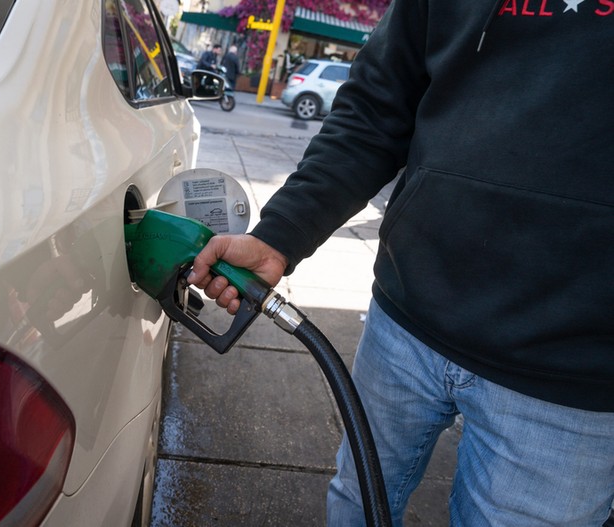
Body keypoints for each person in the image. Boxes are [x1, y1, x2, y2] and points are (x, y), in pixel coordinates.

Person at [187, 0, 614, 525]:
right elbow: (374, 110)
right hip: (406, 321)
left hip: (573, 367)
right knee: (355, 502)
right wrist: (280, 237)